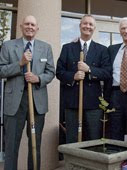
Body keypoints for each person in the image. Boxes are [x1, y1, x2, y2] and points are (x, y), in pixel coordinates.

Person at [0, 15, 55, 170]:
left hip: (37, 102)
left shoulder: (45, 47)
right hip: (14, 103)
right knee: (11, 145)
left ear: (37, 28)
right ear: (21, 27)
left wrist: (38, 78)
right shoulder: (8, 46)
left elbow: (51, 72)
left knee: (35, 144)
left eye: (33, 24)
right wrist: (20, 64)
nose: (30, 27)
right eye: (27, 24)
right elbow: (1, 70)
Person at [56, 15, 111, 143]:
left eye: (91, 24)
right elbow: (59, 72)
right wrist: (73, 76)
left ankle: (92, 164)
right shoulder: (67, 48)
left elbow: (107, 73)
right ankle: (72, 164)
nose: (87, 26)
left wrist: (90, 70)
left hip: (93, 103)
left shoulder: (102, 50)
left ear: (94, 28)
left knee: (93, 139)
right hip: (72, 102)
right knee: (72, 139)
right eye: (85, 24)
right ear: (80, 26)